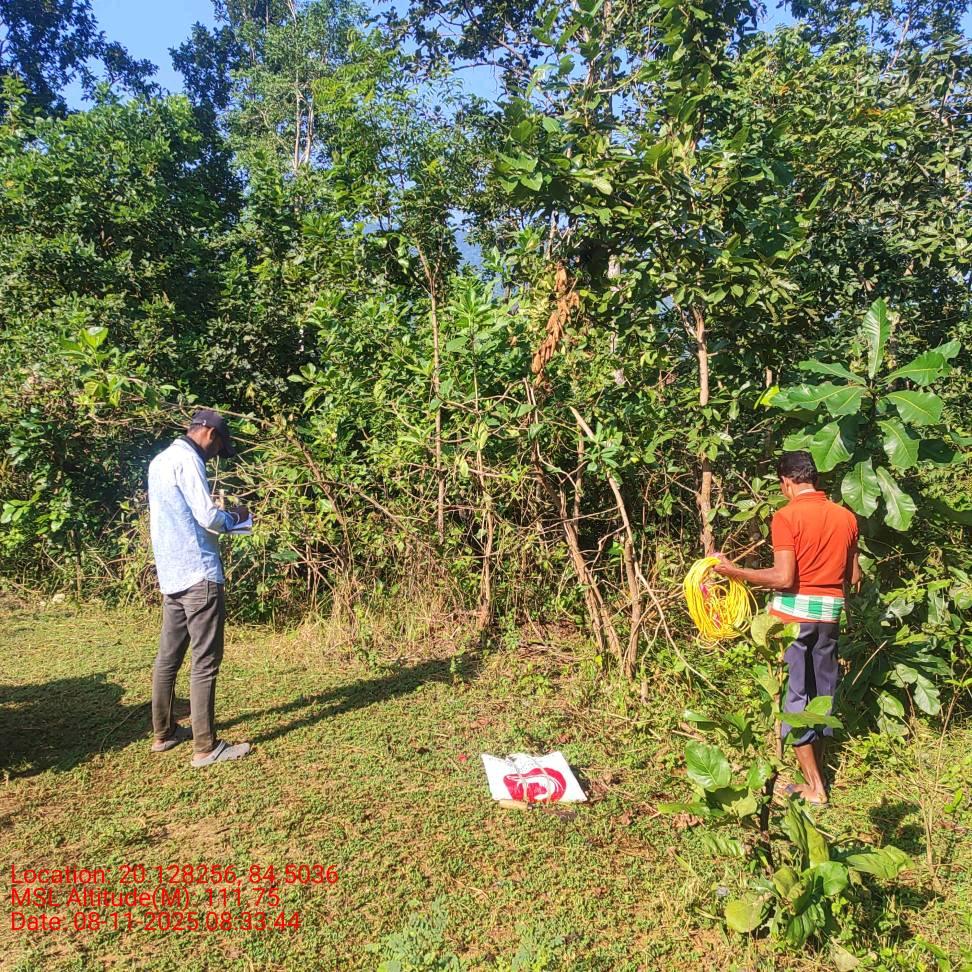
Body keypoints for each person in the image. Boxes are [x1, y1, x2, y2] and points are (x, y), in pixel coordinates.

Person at [713, 450, 859, 804]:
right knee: (821, 695)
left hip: (793, 621)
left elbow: (783, 577)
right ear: (815, 479)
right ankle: (816, 773)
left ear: (786, 482)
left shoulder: (786, 516)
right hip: (829, 616)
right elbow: (854, 576)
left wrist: (734, 571)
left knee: (795, 696)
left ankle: (815, 787)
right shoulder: (846, 517)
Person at [147, 409, 252, 768]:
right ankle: (206, 747)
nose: (215, 455)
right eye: (219, 447)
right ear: (209, 433)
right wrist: (235, 518)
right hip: (199, 574)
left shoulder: (160, 461)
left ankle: (163, 733)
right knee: (205, 661)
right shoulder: (189, 460)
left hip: (172, 574)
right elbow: (207, 516)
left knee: (168, 659)